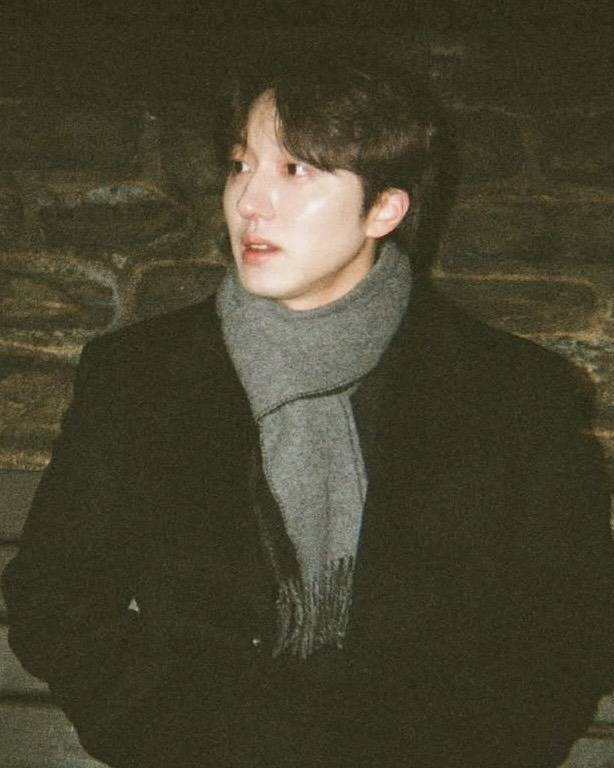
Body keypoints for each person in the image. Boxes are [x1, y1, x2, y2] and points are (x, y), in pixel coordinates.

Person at [3, 38, 613, 768]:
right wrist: (176, 735)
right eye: (241, 165)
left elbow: (572, 622)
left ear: (383, 209)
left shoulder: (512, 392)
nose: (248, 202)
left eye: (295, 170)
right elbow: (52, 596)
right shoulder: (139, 377)